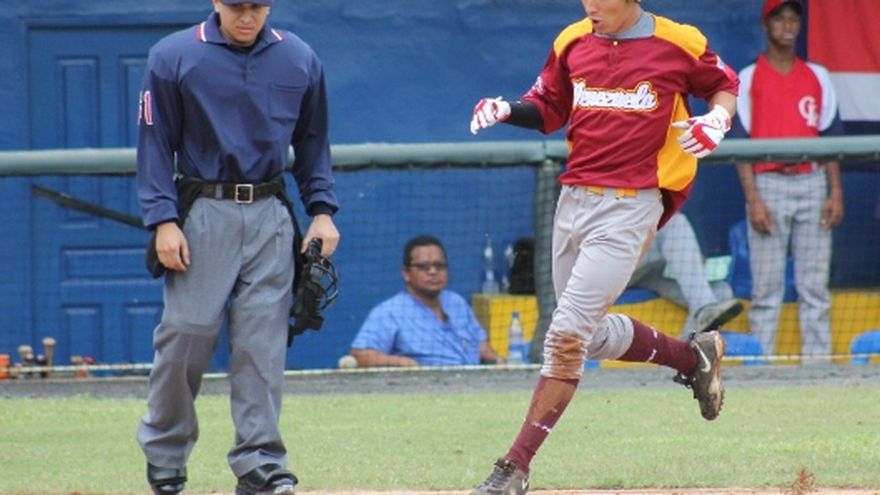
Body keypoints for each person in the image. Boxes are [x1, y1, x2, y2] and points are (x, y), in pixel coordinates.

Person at [468, 0, 738, 492]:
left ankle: (515, 466)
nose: (590, 4)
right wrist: (507, 109)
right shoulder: (573, 39)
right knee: (585, 336)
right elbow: (549, 108)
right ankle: (691, 358)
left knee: (565, 336)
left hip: (631, 204)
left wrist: (717, 119)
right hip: (573, 199)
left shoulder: (677, 41)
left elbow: (725, 84)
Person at [134, 1, 340, 494]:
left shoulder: (299, 57)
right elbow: (154, 143)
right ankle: (165, 454)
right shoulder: (173, 55)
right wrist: (162, 219)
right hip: (203, 209)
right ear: (216, 3)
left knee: (261, 345)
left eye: (256, 6)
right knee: (186, 332)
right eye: (236, 6)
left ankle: (260, 463)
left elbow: (313, 142)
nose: (246, 16)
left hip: (271, 211)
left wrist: (322, 210)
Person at [732, 0, 843, 358]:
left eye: (794, 19)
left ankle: (819, 369)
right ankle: (761, 369)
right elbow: (740, 146)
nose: (788, 25)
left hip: (812, 181)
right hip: (769, 184)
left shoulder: (818, 75)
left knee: (815, 289)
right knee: (766, 290)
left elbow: (832, 141)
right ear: (765, 25)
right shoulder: (749, 77)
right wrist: (753, 200)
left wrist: (835, 192)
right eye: (780, 19)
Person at [350, 235, 504, 367]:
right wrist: (404, 363)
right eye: (424, 266)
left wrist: (499, 362)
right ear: (406, 273)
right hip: (423, 385)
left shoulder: (456, 302)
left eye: (439, 266)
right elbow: (360, 354)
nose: (433, 271)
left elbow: (481, 345)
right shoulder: (390, 311)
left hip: (472, 382)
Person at [627, 212, 743, 336]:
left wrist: (694, 252)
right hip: (617, 269)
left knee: (722, 292)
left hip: (647, 272)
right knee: (674, 222)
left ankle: (684, 345)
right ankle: (704, 307)